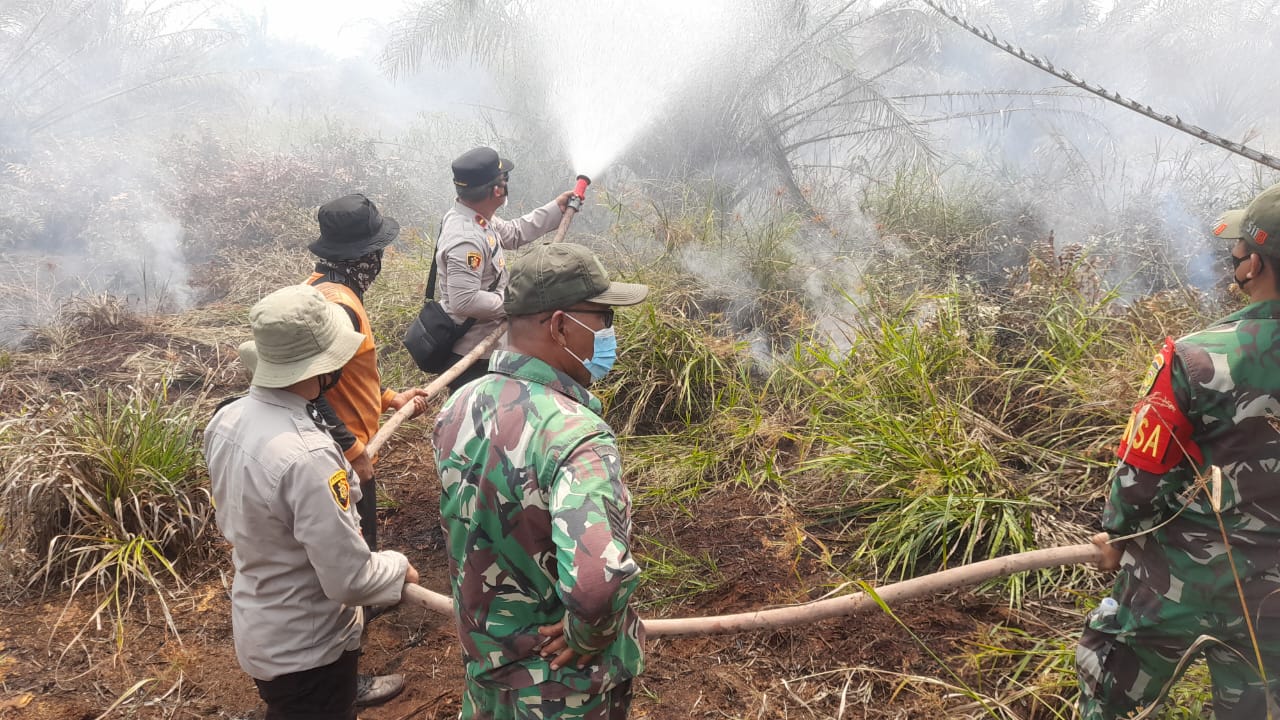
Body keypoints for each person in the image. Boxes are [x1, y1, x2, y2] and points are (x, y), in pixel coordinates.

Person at [1076, 183, 1280, 718]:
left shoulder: (1197, 359)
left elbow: (1141, 477)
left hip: (1183, 581)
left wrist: (1118, 535)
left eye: (1235, 252)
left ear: (1254, 263)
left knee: (1109, 683)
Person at [431, 242, 649, 719]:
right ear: (559, 325)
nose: (610, 332)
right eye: (604, 318)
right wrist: (587, 635)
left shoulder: (458, 405)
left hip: (487, 672)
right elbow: (598, 584)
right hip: (560, 693)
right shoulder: (577, 435)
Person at [204, 284, 419, 720]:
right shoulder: (307, 456)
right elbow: (349, 579)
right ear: (323, 369)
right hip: (309, 646)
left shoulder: (228, 418)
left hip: (262, 622)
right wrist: (398, 566)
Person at [305, 193, 430, 706]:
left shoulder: (320, 290)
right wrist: (353, 447)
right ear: (363, 257)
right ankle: (342, 684)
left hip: (347, 453)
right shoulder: (338, 305)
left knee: (351, 562)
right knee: (350, 568)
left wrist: (387, 397)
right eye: (378, 250)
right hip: (343, 463)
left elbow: (339, 375)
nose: (381, 260)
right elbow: (311, 388)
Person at [435, 146, 575, 391]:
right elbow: (464, 301)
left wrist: (556, 209)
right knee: (478, 424)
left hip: (490, 347)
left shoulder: (478, 216)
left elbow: (513, 233)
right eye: (504, 180)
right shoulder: (465, 239)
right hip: (474, 356)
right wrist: (513, 302)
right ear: (496, 190)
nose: (507, 185)